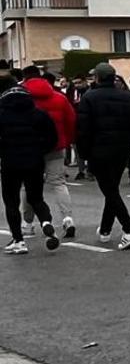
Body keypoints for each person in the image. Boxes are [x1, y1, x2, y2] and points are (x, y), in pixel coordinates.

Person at [76, 63, 130, 249]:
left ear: (97, 78)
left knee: (110, 190)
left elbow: (83, 130)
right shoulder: (127, 98)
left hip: (99, 151)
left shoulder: (89, 98)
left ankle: (129, 228)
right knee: (111, 189)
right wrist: (127, 144)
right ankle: (105, 229)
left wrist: (84, 154)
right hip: (121, 150)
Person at [0, 84, 60, 255]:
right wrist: (40, 150)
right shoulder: (39, 115)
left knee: (11, 201)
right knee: (36, 198)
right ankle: (46, 223)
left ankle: (18, 240)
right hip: (34, 161)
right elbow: (52, 138)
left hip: (10, 162)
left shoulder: (2, 115)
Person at [19, 67, 77, 239]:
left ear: (25, 78)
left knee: (28, 186)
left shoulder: (22, 99)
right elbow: (71, 120)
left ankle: (28, 223)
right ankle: (67, 219)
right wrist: (67, 141)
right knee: (59, 183)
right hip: (56, 146)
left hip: (29, 148)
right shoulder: (59, 98)